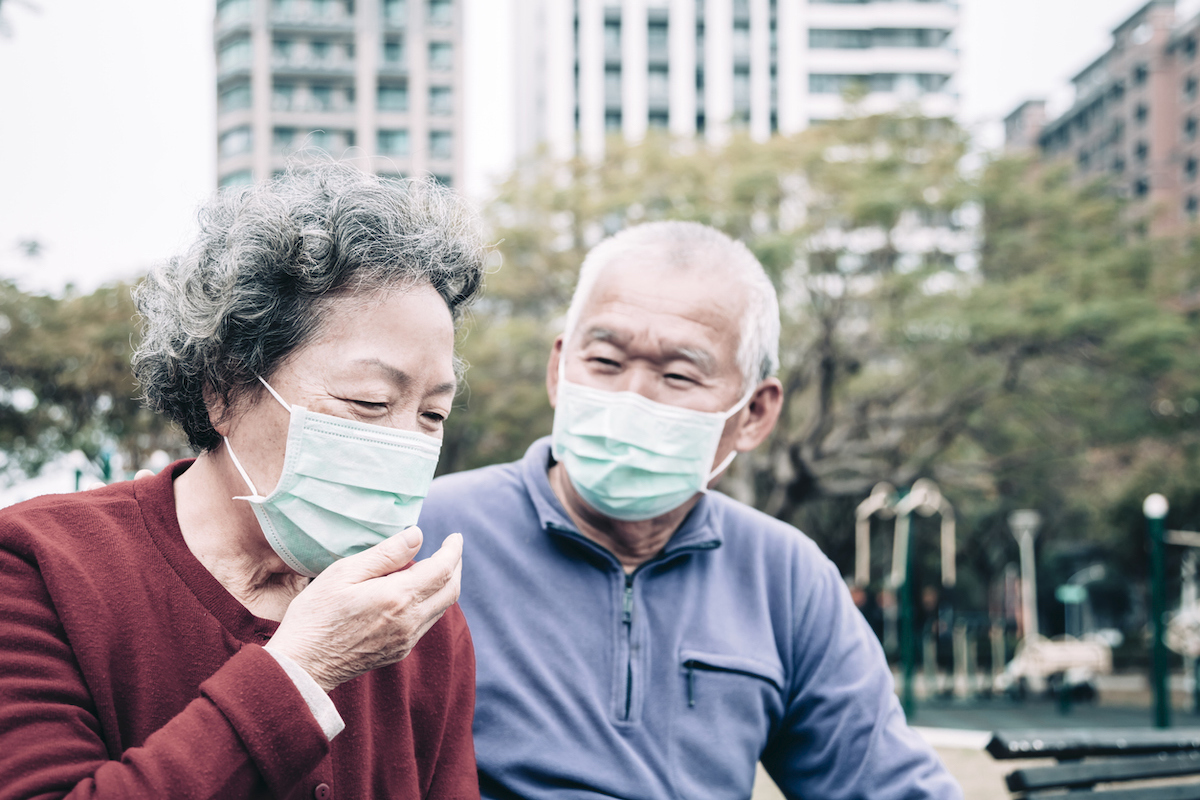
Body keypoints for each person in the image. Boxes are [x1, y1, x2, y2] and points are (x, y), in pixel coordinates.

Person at [418, 221, 962, 799]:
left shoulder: (784, 577)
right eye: (605, 361)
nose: (632, 396)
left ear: (755, 413)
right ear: (559, 369)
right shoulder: (427, 535)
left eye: (678, 374)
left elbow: (884, 782)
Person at [0, 164, 484, 799]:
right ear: (223, 389)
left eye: (433, 415)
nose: (404, 442)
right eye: (368, 403)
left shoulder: (412, 617)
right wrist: (304, 669)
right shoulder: (38, 566)